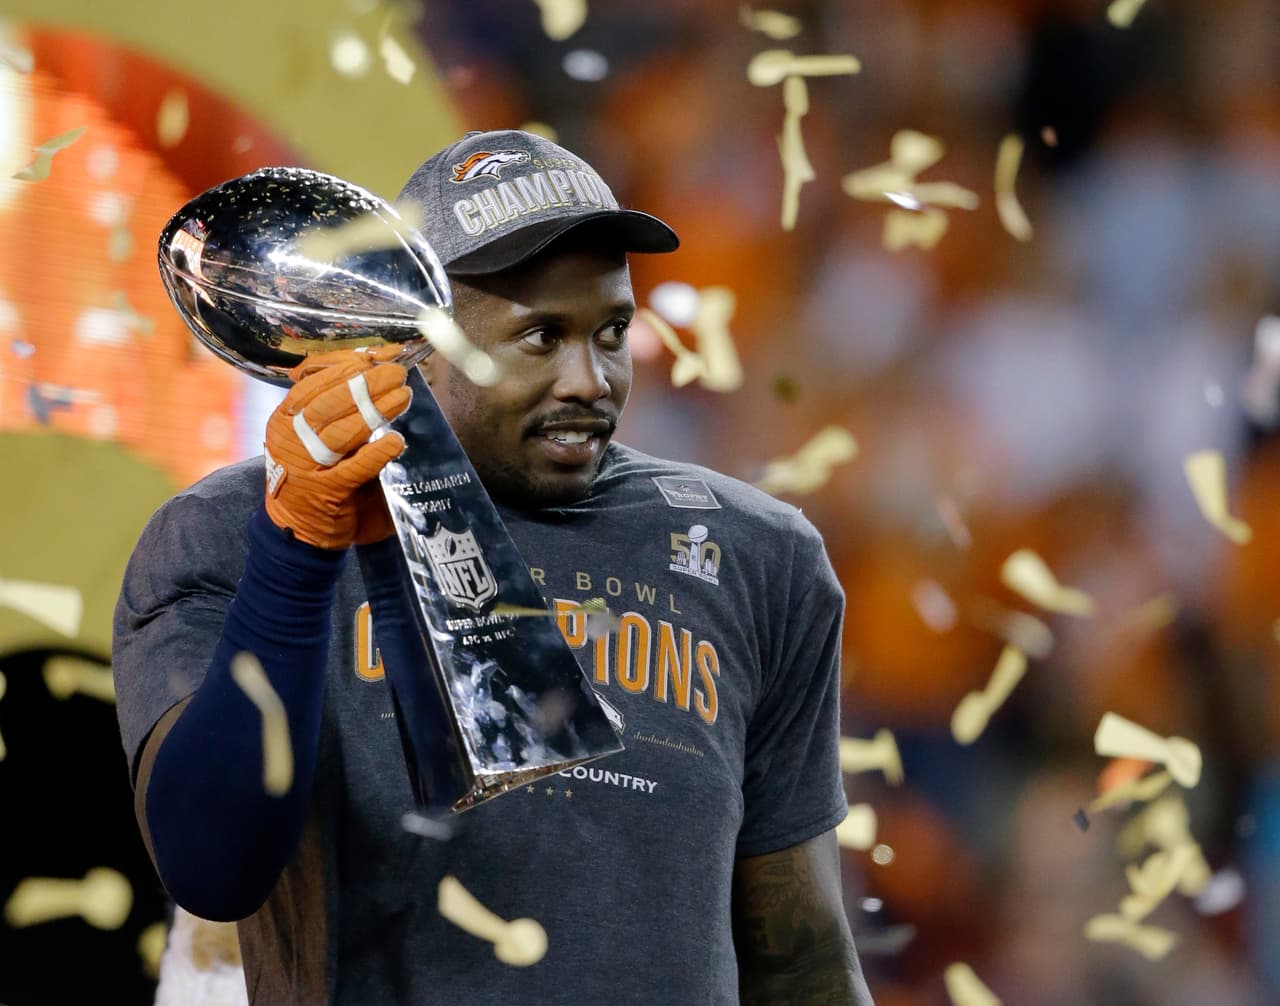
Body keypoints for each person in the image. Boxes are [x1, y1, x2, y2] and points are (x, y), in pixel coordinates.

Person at [113, 129, 873, 1005]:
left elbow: (803, 953)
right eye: (541, 337)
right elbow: (213, 863)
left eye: (613, 331)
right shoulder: (223, 534)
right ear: (412, 337)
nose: (592, 378)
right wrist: (295, 550)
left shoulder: (756, 556)